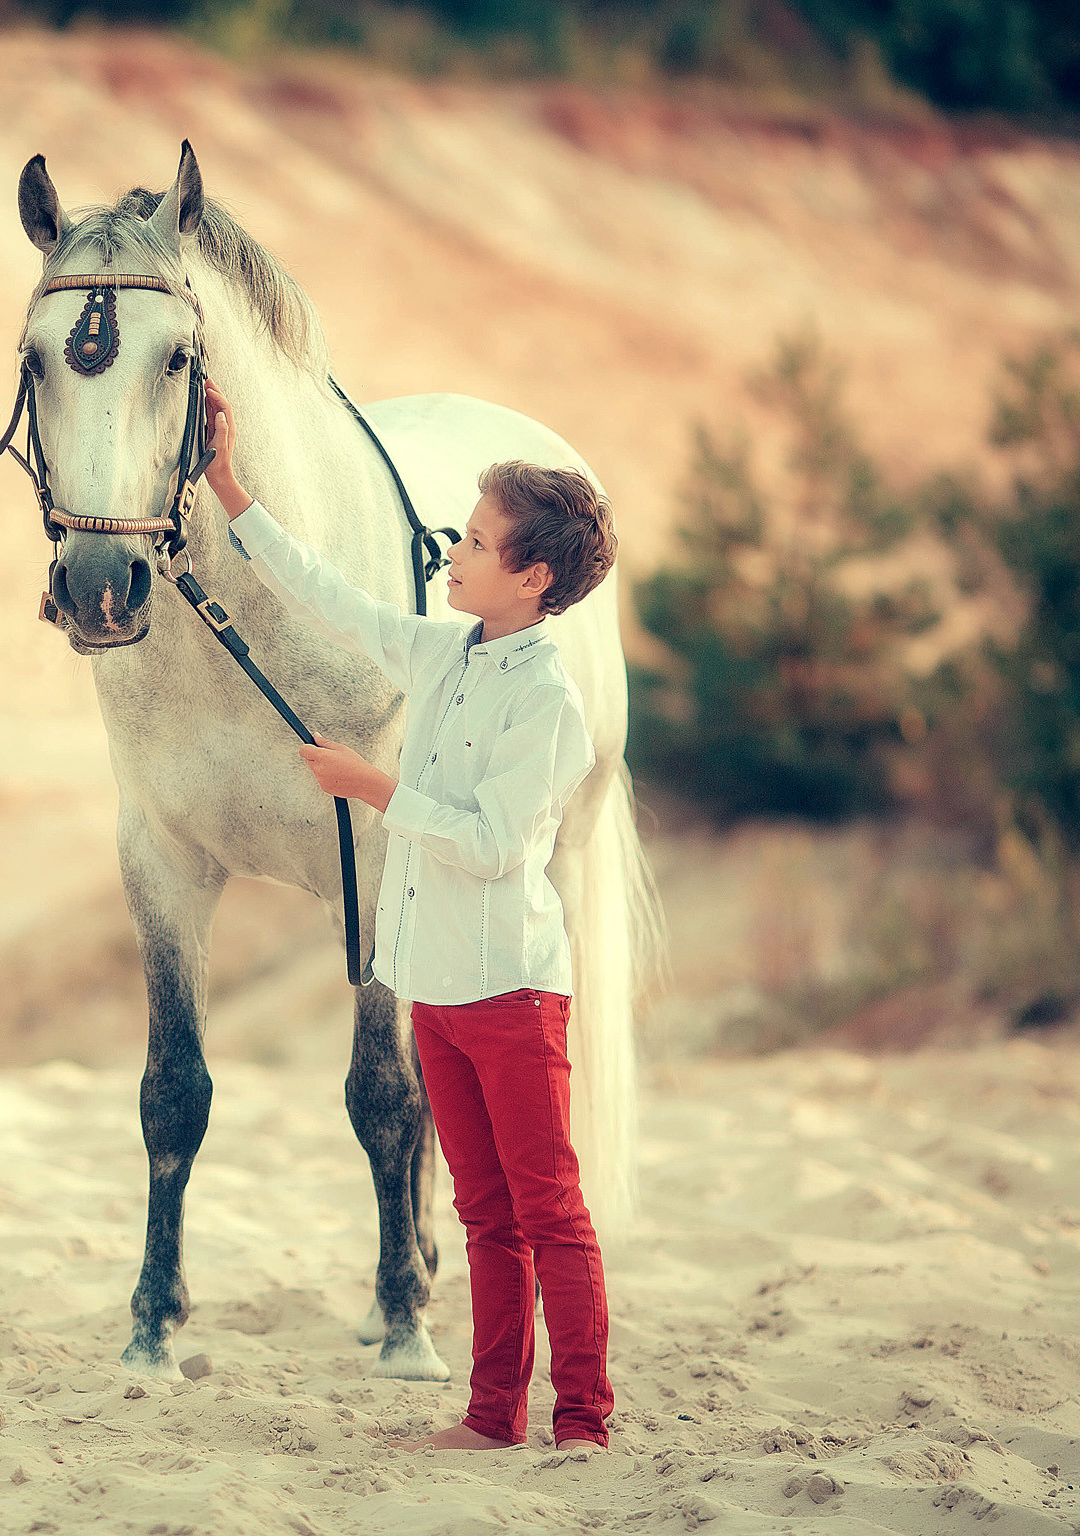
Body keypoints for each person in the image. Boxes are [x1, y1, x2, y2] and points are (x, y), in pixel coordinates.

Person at [199, 379, 618, 1455]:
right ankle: (491, 1415)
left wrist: (373, 788)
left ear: (530, 578)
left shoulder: (547, 702)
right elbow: (328, 598)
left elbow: (494, 846)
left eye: (473, 542)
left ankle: (582, 1418)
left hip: (512, 995)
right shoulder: (442, 650)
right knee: (481, 1215)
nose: (452, 553)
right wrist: (230, 488)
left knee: (548, 1212)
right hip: (435, 988)